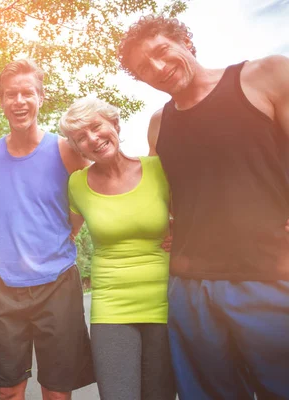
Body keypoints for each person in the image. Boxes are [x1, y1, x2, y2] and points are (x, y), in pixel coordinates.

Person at [118, 15, 289, 399]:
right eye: (144, 68)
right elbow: (158, 195)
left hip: (270, 276)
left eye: (162, 51)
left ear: (185, 41)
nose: (158, 68)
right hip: (191, 288)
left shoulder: (266, 75)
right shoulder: (159, 124)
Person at [0, 59, 94, 400]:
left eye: (27, 93)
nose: (19, 101)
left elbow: (92, 195)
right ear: (1, 101)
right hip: (4, 286)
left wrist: (64, 234)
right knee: (8, 390)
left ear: (41, 97)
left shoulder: (65, 150)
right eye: (11, 94)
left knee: (56, 391)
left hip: (57, 284)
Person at [60, 96, 175, 400]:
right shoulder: (77, 184)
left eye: (96, 127)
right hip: (112, 307)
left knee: (159, 395)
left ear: (114, 123)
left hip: (165, 302)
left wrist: (184, 232)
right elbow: (62, 235)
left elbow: (196, 215)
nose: (93, 139)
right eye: (81, 137)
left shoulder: (159, 169)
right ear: (78, 149)